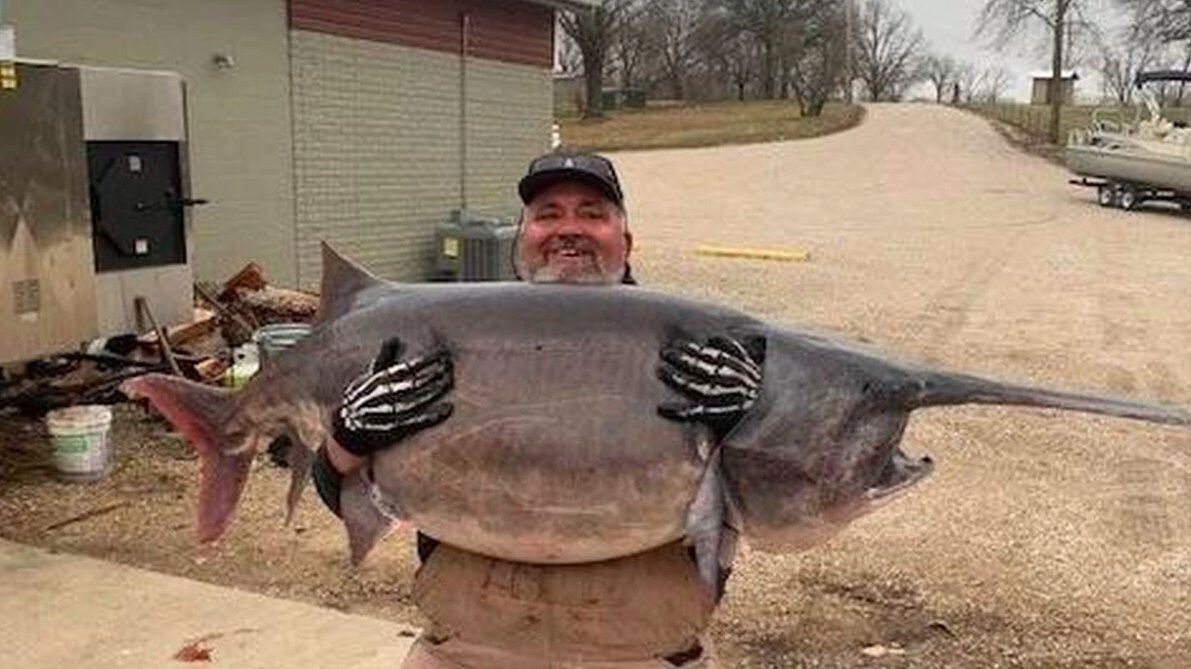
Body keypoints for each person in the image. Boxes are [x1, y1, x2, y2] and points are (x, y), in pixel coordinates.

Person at [311, 151, 765, 668]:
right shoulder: (430, 342)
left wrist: (753, 433)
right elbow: (342, 492)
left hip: (643, 653)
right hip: (465, 652)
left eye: (592, 212)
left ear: (627, 241)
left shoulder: (700, 355)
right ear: (518, 239)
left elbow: (778, 513)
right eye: (548, 213)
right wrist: (348, 438)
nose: (568, 229)